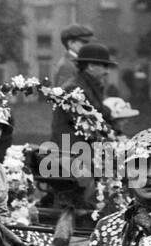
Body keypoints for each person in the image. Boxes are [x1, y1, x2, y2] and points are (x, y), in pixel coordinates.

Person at [45, 42, 118, 221]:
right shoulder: (74, 89)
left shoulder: (89, 86)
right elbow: (91, 122)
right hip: (72, 153)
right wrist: (111, 136)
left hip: (84, 153)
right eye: (104, 66)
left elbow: (100, 115)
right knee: (86, 199)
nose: (107, 71)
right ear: (91, 66)